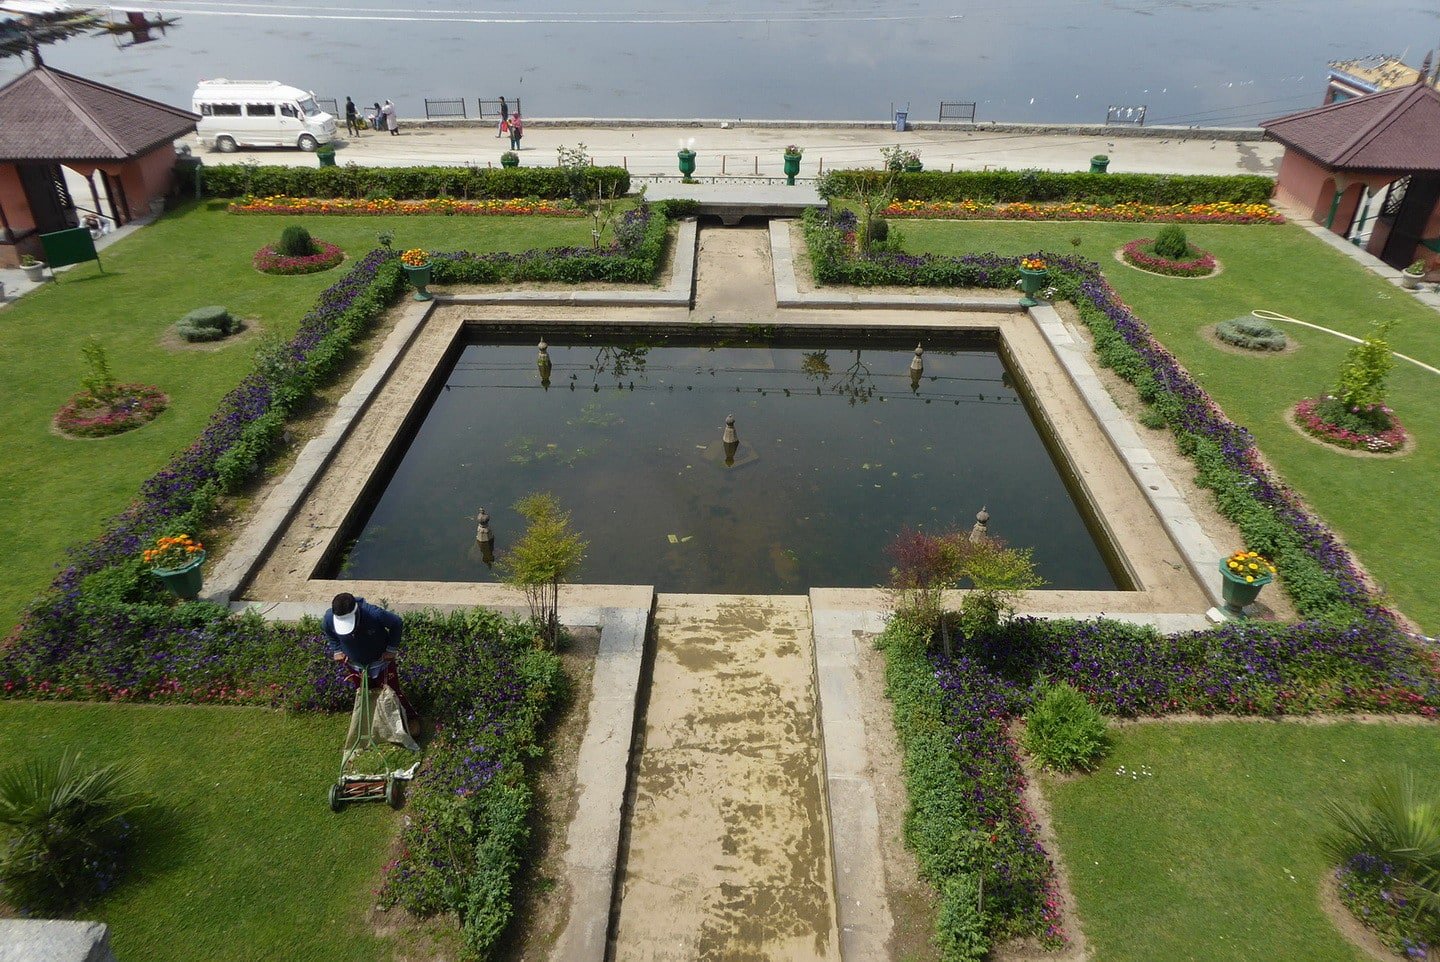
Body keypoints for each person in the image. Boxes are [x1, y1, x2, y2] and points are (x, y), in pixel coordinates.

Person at [321, 592, 416, 726]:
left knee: (392, 691)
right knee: (365, 692)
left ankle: (409, 717)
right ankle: (376, 717)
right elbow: (328, 631)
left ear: (356, 612)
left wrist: (391, 649)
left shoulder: (373, 614)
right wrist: (337, 650)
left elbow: (396, 623)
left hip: (381, 662)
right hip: (355, 665)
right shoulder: (329, 618)